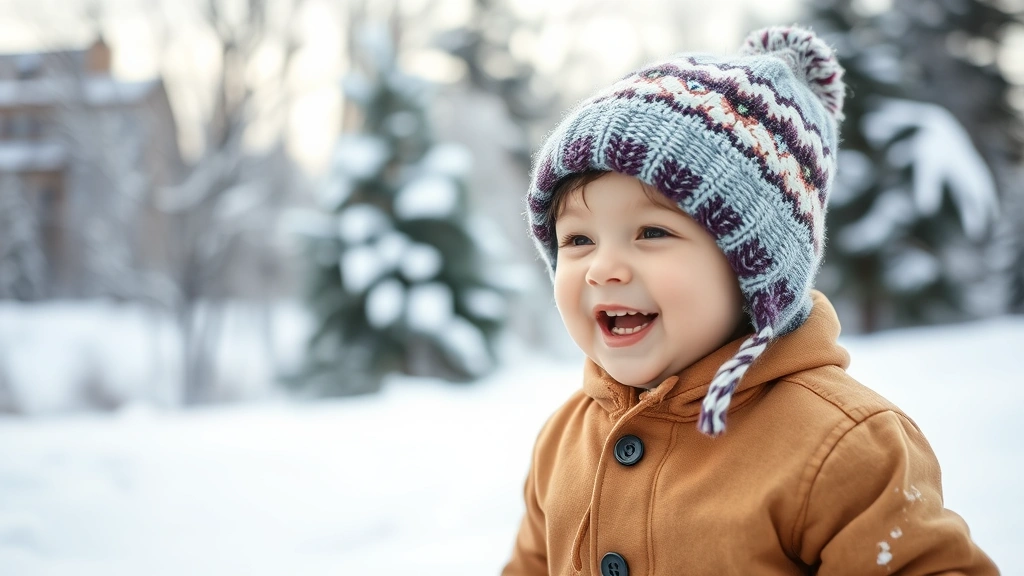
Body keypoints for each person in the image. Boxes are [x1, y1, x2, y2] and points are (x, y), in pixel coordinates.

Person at [502, 25, 998, 576]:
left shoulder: (841, 443)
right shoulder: (565, 438)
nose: (602, 269)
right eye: (578, 240)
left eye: (651, 233)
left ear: (753, 266)